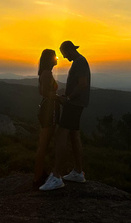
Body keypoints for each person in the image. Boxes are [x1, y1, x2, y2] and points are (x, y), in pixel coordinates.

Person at [39, 40, 91, 191]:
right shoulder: (79, 61)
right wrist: (66, 95)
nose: (63, 57)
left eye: (63, 53)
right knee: (74, 136)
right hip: (76, 103)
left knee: (61, 135)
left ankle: (56, 176)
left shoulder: (79, 62)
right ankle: (78, 172)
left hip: (74, 104)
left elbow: (82, 84)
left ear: (69, 49)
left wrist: (68, 98)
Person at [33, 48, 59, 188]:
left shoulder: (43, 73)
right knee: (44, 144)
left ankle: (40, 174)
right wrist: (59, 98)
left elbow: (41, 91)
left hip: (45, 108)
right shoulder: (47, 73)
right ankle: (38, 178)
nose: (57, 59)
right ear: (50, 59)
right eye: (55, 56)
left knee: (43, 143)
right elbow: (44, 92)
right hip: (49, 109)